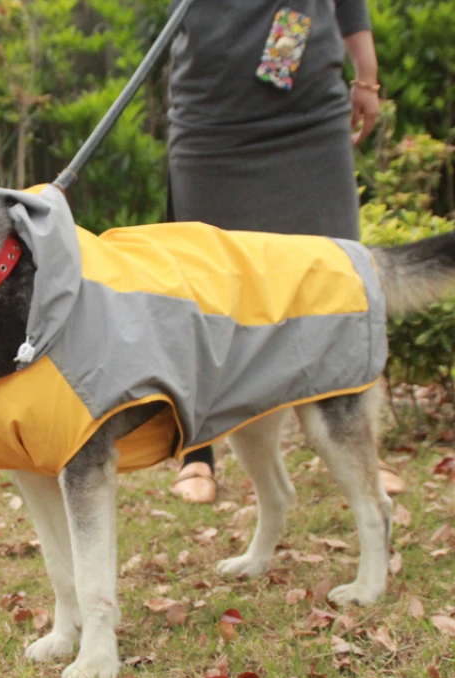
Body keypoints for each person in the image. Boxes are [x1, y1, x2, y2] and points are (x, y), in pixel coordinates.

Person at [165, 0, 404, 503]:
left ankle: (363, 446)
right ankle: (198, 452)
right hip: (212, 111)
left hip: (308, 109)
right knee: (206, 289)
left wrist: (367, 76)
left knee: (339, 279)